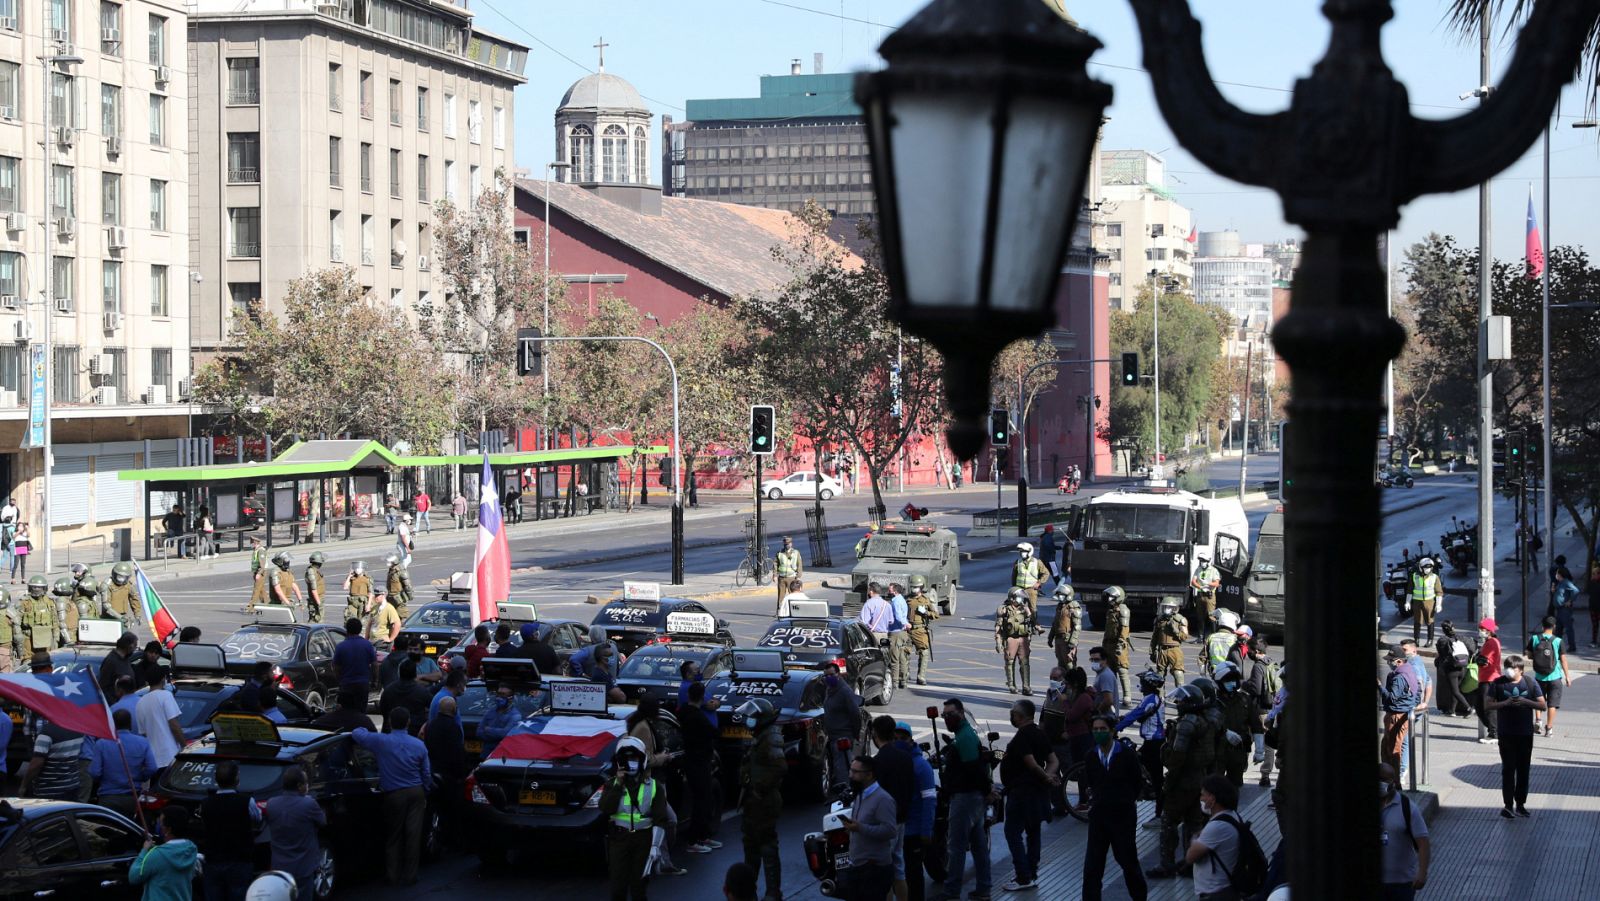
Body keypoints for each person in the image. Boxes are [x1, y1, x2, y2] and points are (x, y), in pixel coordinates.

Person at [353, 708, 432, 885]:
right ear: (408, 722)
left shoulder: (382, 741)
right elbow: (426, 773)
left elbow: (358, 734)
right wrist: (425, 790)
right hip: (415, 791)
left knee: (394, 835)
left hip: (394, 793)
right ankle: (410, 875)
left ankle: (392, 874)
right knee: (413, 834)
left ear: (389, 722)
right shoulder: (419, 745)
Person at [1147, 684, 1215, 880]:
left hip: (1182, 782)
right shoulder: (1206, 721)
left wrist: (1166, 750)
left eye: (1180, 702)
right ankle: (1189, 863)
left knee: (1169, 823)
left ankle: (1166, 864)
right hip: (1200, 781)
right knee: (1194, 824)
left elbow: (1176, 758)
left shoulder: (1186, 724)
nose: (1178, 705)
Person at [1082, 713, 1150, 901]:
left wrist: (1125, 800)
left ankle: (1139, 897)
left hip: (1122, 816)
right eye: (1095, 730)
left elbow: (1137, 783)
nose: (1098, 733)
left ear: (1112, 731)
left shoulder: (1126, 755)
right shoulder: (1091, 756)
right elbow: (1092, 783)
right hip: (1099, 815)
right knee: (1092, 866)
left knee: (1128, 861)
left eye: (1103, 729)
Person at [999, 699, 1059, 892]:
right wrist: (1048, 775)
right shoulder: (1039, 734)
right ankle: (1031, 873)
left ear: (1021, 716)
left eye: (1014, 713)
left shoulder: (1022, 737)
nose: (1012, 716)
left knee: (1012, 832)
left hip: (1022, 793)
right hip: (1036, 792)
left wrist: (1046, 778)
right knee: (1033, 832)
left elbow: (1031, 763)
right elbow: (1053, 760)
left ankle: (1023, 875)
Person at [600, 736, 669, 901]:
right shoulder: (612, 784)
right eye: (627, 759)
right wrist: (618, 783)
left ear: (642, 760)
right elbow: (606, 808)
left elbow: (661, 819)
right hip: (619, 839)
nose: (631, 762)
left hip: (643, 841)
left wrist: (655, 847)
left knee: (639, 889)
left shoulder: (654, 786)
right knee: (618, 888)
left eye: (634, 758)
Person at [940, 697, 993, 900]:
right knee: (978, 844)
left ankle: (952, 891)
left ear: (961, 714)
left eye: (951, 714)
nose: (947, 718)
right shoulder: (963, 734)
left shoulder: (965, 737)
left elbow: (975, 769)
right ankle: (984, 888)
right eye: (945, 715)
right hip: (971, 796)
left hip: (965, 798)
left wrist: (987, 790)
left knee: (956, 846)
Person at [737, 697, 786, 901]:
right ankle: (749, 890)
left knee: (766, 846)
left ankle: (773, 891)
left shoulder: (771, 736)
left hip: (764, 802)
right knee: (751, 847)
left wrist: (760, 789)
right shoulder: (758, 735)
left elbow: (780, 767)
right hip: (752, 801)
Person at [1486, 653, 1545, 817]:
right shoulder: (1498, 683)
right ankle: (1507, 805)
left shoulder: (1530, 683)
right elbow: (1488, 704)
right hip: (1506, 733)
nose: (1509, 671)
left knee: (1523, 769)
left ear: (1521, 670)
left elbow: (1542, 705)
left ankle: (1520, 804)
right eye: (1507, 667)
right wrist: (1504, 703)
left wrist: (1525, 702)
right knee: (1508, 769)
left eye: (1512, 668)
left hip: (1525, 734)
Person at [199, 759, 260, 901]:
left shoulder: (206, 803)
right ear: (237, 779)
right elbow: (257, 819)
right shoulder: (246, 801)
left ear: (216, 780)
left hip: (213, 859)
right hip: (240, 859)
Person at [839, 755, 898, 901]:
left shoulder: (883, 799)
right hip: (858, 866)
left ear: (869, 775)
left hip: (874, 870)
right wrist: (852, 829)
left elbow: (890, 831)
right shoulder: (860, 795)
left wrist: (860, 828)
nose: (850, 775)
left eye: (855, 772)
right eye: (850, 771)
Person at [264, 766, 325, 898]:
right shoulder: (309, 804)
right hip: (303, 867)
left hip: (279, 866)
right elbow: (322, 821)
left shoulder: (271, 804)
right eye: (306, 783)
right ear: (299, 786)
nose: (307, 785)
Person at [1116, 670, 1167, 829]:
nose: (1140, 686)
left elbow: (1135, 714)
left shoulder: (1151, 700)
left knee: (1157, 780)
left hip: (1154, 744)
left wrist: (1116, 728)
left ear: (1149, 686)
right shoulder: (1152, 698)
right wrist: (1121, 719)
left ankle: (1159, 815)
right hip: (1152, 742)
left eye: (1143, 684)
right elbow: (1134, 713)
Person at [680, 681, 724, 855]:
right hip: (698, 762)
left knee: (702, 799)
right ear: (701, 697)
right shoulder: (697, 717)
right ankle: (694, 839)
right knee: (702, 800)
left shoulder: (683, 712)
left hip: (693, 761)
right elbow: (714, 733)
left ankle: (702, 835)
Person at [1185, 775, 1244, 899]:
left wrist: (1195, 839)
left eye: (1203, 795)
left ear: (1212, 798)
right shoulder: (1233, 816)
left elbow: (1190, 857)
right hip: (1227, 888)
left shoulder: (1217, 826)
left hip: (1216, 892)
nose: (1201, 799)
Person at [89, 710, 155, 819]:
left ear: (112, 724)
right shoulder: (143, 742)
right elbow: (152, 768)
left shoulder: (101, 743)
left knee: (106, 830)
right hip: (133, 797)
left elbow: (94, 772)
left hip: (108, 797)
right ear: (130, 724)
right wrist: (140, 777)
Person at [1378, 762, 1430, 900]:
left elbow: (1423, 843)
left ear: (1394, 782)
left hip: (1402, 884)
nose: (1381, 783)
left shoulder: (1407, 808)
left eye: (1384, 779)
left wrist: (1422, 873)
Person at [129, 806, 199, 901]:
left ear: (168, 829)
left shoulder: (158, 854)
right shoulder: (191, 849)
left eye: (160, 822)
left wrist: (144, 851)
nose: (157, 824)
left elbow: (134, 877)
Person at [426, 694, 467, 836]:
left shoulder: (431, 725)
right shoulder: (453, 727)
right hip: (450, 775)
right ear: (454, 710)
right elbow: (457, 753)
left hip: (435, 769)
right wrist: (461, 775)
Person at [135, 665, 185, 771]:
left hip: (152, 760)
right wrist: (185, 747)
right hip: (170, 756)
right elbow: (174, 725)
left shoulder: (140, 702)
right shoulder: (166, 695)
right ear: (163, 679)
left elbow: (143, 733)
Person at [822, 662, 863, 792]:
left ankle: (845, 792)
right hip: (832, 736)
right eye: (826, 676)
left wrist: (855, 734)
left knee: (842, 768)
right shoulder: (829, 689)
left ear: (838, 674)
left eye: (831, 675)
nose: (828, 678)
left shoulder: (845, 692)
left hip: (843, 737)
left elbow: (855, 714)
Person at [1376, 650, 1417, 775]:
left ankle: (1393, 780)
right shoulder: (1408, 671)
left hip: (1396, 715)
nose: (1388, 662)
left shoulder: (1399, 677)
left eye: (1390, 660)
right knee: (1387, 747)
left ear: (1399, 661)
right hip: (1399, 713)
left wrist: (1379, 686)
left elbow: (1391, 697)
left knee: (1392, 749)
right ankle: (1389, 778)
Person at [1528, 615, 1569, 737]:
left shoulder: (1535, 638)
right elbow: (1563, 660)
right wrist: (1567, 676)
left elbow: (1529, 655)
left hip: (1539, 676)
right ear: (1554, 627)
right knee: (1552, 704)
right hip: (1555, 677)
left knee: (1538, 699)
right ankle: (1549, 728)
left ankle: (1538, 720)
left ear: (1542, 626)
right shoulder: (1558, 641)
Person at [1213, 662, 1253, 787]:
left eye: (1233, 680)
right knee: (1215, 785)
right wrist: (1224, 732)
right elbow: (1207, 724)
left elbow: (1255, 723)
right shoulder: (1212, 701)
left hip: (1238, 751)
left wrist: (1260, 747)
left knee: (1235, 785)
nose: (1232, 683)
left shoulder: (1245, 699)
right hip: (1218, 750)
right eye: (1227, 681)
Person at [996, 588, 1035, 695]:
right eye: (1018, 597)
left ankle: (1026, 686)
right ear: (1012, 598)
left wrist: (1029, 612)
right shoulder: (1004, 609)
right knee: (1009, 662)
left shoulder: (1025, 608)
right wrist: (998, 642)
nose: (1020, 600)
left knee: (1025, 663)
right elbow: (998, 627)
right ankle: (1011, 685)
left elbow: (1033, 622)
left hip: (1023, 638)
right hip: (1011, 638)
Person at [1434, 620, 1475, 718]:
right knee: (1456, 689)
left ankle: (1469, 708)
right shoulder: (1462, 638)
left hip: (1452, 670)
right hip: (1463, 667)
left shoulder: (1443, 640)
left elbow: (1441, 655)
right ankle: (1452, 710)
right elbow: (1472, 649)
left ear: (1443, 630)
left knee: (1455, 691)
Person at [1473, 617, 1504, 744]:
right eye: (1480, 629)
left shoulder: (1491, 642)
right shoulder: (1491, 641)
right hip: (1487, 678)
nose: (1481, 631)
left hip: (1490, 679)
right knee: (1481, 705)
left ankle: (1494, 732)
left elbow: (1484, 662)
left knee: (1486, 707)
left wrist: (1477, 658)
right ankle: (1494, 730)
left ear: (1489, 630)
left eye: (1483, 629)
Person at [380, 660, 433, 734]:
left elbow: (383, 709)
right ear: (415, 674)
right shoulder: (422, 691)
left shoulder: (388, 690)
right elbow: (432, 707)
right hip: (415, 731)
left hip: (391, 730)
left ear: (399, 673)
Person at [1100, 586, 1133, 707]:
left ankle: (1127, 697)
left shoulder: (1123, 611)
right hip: (1109, 644)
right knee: (1110, 671)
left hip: (1119, 644)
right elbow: (1107, 630)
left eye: (1112, 597)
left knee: (1122, 670)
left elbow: (1124, 630)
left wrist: (1120, 645)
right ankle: (1112, 696)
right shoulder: (1111, 611)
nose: (1109, 599)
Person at [1149, 598, 1189, 689]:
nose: (1166, 609)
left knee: (1178, 673)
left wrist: (1175, 629)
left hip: (1175, 650)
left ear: (1175, 609)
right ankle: (1160, 698)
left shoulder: (1180, 620)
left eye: (1169, 607)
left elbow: (1184, 637)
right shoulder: (1159, 620)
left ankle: (1180, 697)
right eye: (1165, 607)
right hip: (1162, 650)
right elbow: (1154, 637)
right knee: (1159, 675)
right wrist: (1152, 651)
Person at [333, 617, 378, 696]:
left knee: (347, 707)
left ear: (347, 630)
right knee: (361, 707)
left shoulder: (340, 646)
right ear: (360, 630)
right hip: (363, 684)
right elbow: (374, 665)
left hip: (346, 684)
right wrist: (375, 680)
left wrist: (340, 681)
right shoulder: (367, 645)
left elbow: (336, 667)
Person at [907, 577, 939, 685]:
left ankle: (921, 676)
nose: (914, 589)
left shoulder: (926, 600)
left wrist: (926, 612)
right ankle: (904, 675)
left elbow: (936, 615)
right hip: (907, 629)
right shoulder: (907, 599)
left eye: (916, 587)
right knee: (904, 653)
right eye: (913, 587)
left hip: (920, 630)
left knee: (924, 653)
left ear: (921, 588)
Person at [1046, 584, 1083, 674]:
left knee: (1070, 665)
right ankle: (1063, 686)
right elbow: (1055, 624)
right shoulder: (1060, 606)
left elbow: (1077, 627)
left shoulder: (1073, 606)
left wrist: (1072, 642)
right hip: (1059, 639)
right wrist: (1050, 637)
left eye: (1062, 595)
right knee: (1061, 665)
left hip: (1067, 640)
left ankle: (1074, 685)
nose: (1060, 597)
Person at [477, 684, 521, 758]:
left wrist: (488, 730)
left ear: (511, 698)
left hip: (502, 757)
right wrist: (497, 735)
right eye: (498, 694)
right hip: (485, 755)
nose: (499, 697)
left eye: (503, 694)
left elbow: (505, 734)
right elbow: (479, 732)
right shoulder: (490, 712)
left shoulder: (515, 715)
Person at [99, 631, 140, 698]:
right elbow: (103, 687)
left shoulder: (125, 659)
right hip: (116, 704)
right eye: (135, 645)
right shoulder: (111, 661)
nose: (135, 649)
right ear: (129, 646)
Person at [887, 581, 912, 690]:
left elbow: (898, 616)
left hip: (896, 632)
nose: (888, 590)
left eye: (890, 589)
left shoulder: (896, 601)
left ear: (895, 591)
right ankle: (904, 681)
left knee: (894, 659)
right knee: (903, 658)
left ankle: (895, 681)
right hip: (903, 633)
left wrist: (905, 623)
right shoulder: (902, 600)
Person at [1411, 558, 1442, 644]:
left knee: (1430, 621)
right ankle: (1416, 639)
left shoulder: (1435, 577)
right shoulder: (1414, 576)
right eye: (1425, 568)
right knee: (1417, 621)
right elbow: (1409, 590)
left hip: (1429, 602)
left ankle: (1430, 640)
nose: (1427, 570)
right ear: (1421, 568)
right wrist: (1407, 602)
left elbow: (1439, 592)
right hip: (1417, 601)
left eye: (1429, 568)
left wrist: (1439, 604)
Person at [1011, 542, 1047, 617]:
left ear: (1029, 552)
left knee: (1032, 609)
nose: (1022, 554)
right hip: (1019, 589)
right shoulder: (1017, 562)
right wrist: (1013, 588)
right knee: (1017, 607)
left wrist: (1039, 583)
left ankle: (1034, 624)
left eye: (1024, 552)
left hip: (1031, 589)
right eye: (1021, 552)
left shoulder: (1037, 562)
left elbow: (1046, 573)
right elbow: (1014, 576)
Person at [1190, 555, 1222, 637]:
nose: (1202, 563)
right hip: (1200, 595)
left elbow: (1217, 583)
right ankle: (1200, 637)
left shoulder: (1213, 570)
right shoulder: (1198, 569)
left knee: (1211, 616)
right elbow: (1193, 581)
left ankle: (1213, 636)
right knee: (1200, 617)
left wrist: (1207, 584)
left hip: (1209, 596)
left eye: (1203, 561)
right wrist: (1200, 586)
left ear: (1208, 562)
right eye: (1201, 561)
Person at [1550, 567, 1579, 647]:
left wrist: (1570, 601)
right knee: (1558, 628)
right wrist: (1553, 590)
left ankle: (1572, 645)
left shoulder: (1566, 582)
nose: (1556, 575)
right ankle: (1557, 645)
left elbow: (1576, 591)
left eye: (1557, 574)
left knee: (1568, 628)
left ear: (1560, 575)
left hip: (1564, 609)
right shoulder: (1560, 583)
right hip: (1559, 609)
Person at [1089, 646, 1122, 713]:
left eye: (1096, 660)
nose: (1094, 662)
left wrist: (1097, 711)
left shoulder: (1105, 675)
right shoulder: (1100, 673)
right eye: (1091, 660)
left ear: (1105, 660)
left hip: (1105, 718)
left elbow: (1108, 700)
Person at [774, 536, 803, 613]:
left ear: (791, 544)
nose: (787, 545)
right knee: (781, 596)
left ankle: (795, 612)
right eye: (785, 544)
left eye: (788, 543)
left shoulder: (796, 553)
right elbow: (776, 564)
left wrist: (798, 576)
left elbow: (799, 564)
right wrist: (775, 575)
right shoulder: (779, 553)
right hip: (782, 577)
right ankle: (779, 611)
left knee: (793, 595)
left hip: (792, 577)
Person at [385, 554, 414, 620]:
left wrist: (409, 596)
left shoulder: (400, 571)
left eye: (389, 562)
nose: (387, 563)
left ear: (394, 562)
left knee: (401, 616)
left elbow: (407, 585)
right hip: (390, 597)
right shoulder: (391, 570)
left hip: (399, 598)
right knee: (390, 617)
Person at [303, 552, 326, 624]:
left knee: (319, 620)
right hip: (315, 600)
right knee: (315, 621)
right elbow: (314, 590)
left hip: (319, 598)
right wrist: (319, 603)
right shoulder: (311, 572)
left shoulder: (315, 571)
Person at [247, 537, 268, 612]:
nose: (250, 544)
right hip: (257, 571)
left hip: (260, 572)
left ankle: (251, 607)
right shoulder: (256, 550)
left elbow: (262, 564)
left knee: (256, 589)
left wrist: (259, 573)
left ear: (255, 543)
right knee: (261, 589)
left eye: (251, 543)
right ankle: (266, 603)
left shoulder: (261, 550)